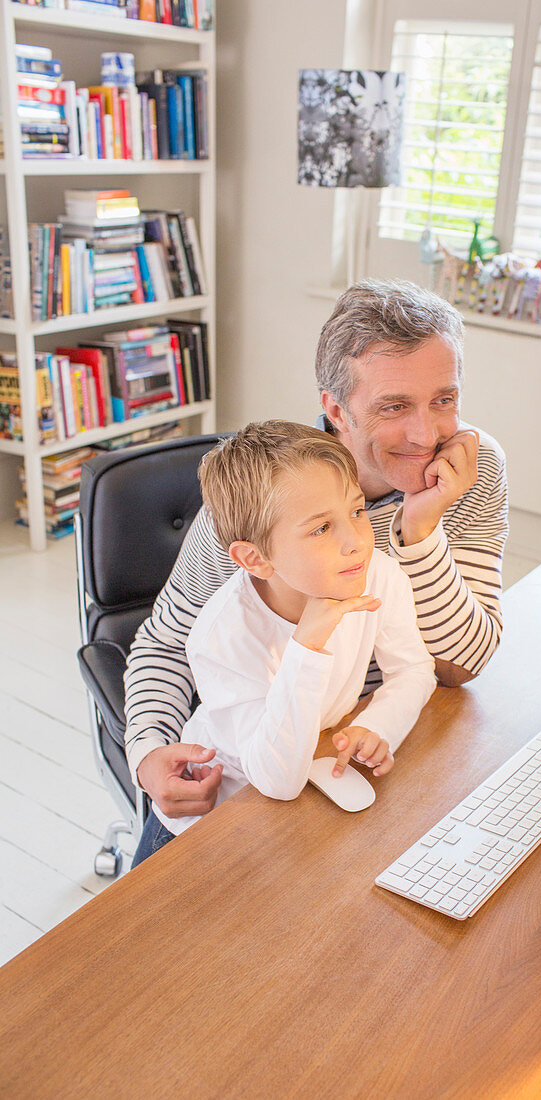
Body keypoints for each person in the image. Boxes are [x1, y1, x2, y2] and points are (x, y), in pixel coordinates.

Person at [125, 279, 508, 833]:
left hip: (362, 742)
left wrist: (420, 531)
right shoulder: (265, 513)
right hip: (247, 764)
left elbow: (461, 664)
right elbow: (166, 644)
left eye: (443, 400)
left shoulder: (468, 469)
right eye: (394, 406)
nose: (427, 433)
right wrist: (146, 754)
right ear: (335, 409)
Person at [133, 421, 435, 863]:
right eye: (321, 529)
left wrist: (380, 726)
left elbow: (413, 669)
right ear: (256, 559)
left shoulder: (377, 575)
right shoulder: (222, 635)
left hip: (305, 779)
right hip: (217, 811)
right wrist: (307, 644)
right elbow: (275, 779)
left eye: (356, 512)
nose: (356, 542)